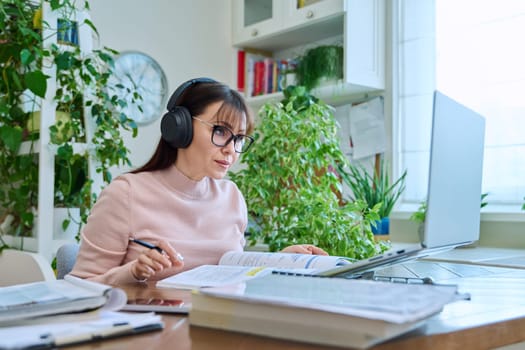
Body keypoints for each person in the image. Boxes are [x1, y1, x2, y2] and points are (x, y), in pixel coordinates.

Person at [70, 78, 327, 285]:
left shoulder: (232, 197)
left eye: (239, 138)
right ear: (179, 127)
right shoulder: (125, 193)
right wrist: (132, 272)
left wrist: (278, 262)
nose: (232, 150)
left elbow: (228, 272)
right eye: (220, 131)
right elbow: (79, 286)